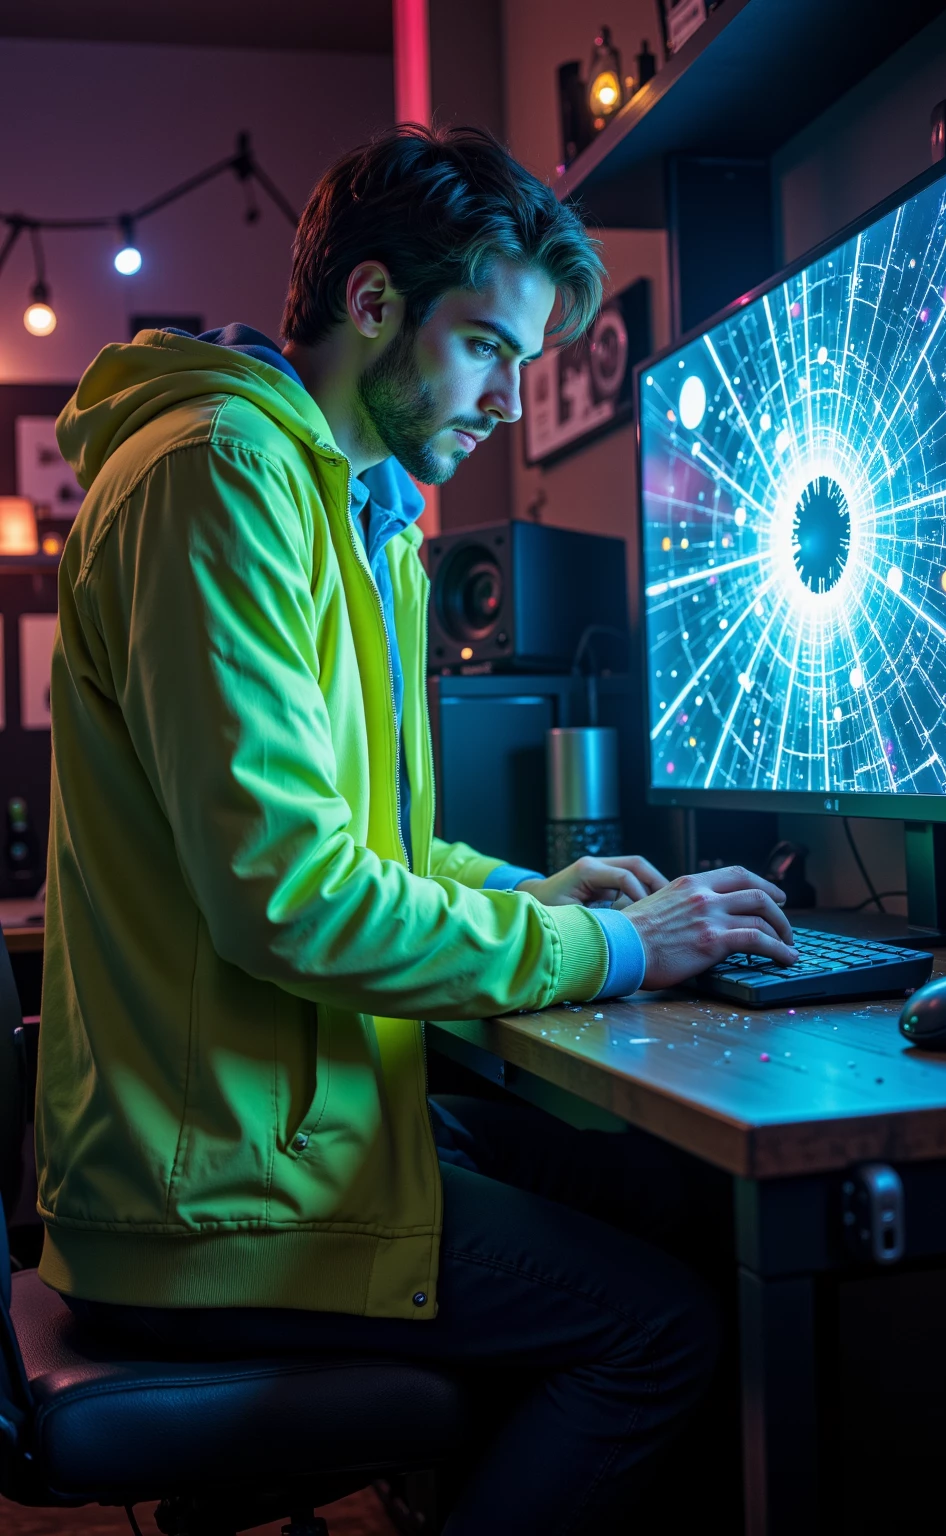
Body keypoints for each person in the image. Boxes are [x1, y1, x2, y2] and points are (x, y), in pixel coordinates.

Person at [36, 124, 796, 1533]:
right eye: (490, 350)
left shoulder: (360, 514)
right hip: (219, 1195)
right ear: (374, 304)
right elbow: (292, 897)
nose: (513, 397)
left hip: (290, 1134)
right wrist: (611, 951)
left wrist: (541, 888)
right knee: (663, 1331)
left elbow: (374, 844)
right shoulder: (226, 477)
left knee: (662, 1198)